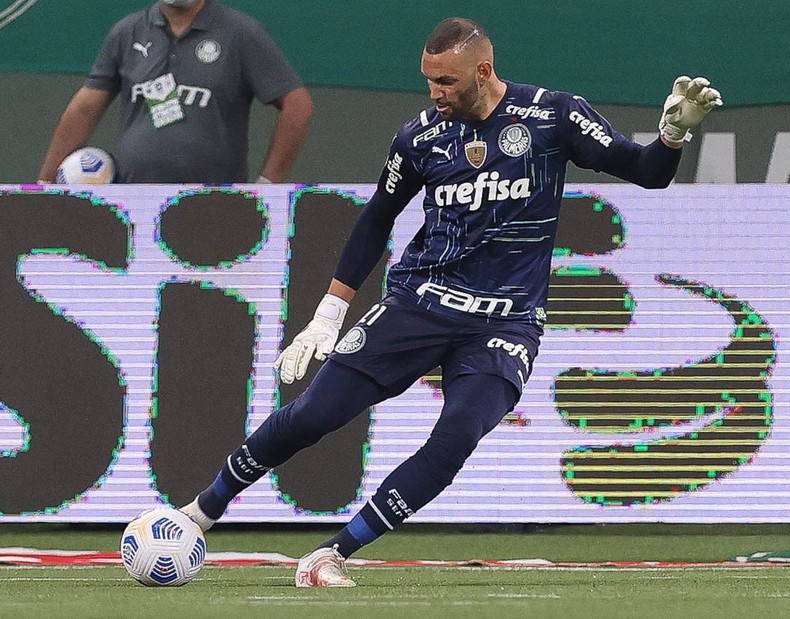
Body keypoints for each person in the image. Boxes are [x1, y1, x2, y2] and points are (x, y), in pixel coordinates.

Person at [180, 16, 722, 587]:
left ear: (482, 71)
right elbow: (376, 220)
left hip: (506, 323)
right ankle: (200, 513)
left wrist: (671, 137)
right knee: (315, 413)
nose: (435, 94)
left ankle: (332, 554)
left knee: (457, 435)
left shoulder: (553, 115)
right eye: (428, 81)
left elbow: (647, 174)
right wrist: (328, 314)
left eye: (446, 82)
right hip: (420, 302)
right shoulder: (419, 138)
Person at [36, 0, 313, 184]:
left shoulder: (241, 33)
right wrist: (43, 188)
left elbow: (297, 106)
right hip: (134, 204)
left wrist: (267, 187)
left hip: (214, 206)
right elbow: (84, 109)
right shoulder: (127, 33)